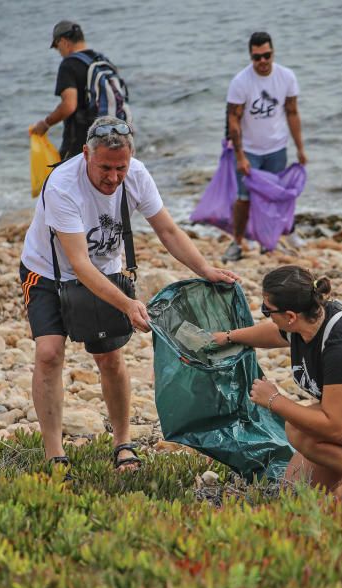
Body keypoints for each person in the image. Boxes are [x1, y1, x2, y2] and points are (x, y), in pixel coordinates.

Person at [20, 116, 240, 474]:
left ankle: (123, 443)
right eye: (105, 167)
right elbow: (79, 264)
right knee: (48, 353)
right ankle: (54, 454)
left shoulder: (136, 175)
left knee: (109, 357)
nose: (113, 177)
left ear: (131, 158)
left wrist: (205, 269)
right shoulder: (62, 185)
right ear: (85, 154)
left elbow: (167, 230)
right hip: (47, 271)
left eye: (120, 168)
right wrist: (127, 304)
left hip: (106, 269)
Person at [212, 265, 342, 501]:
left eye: (267, 310)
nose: (266, 313)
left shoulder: (341, 346)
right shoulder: (308, 321)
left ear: (291, 316)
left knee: (298, 429)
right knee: (294, 494)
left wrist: (274, 400)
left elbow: (335, 425)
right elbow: (276, 333)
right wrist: (230, 337)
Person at [222, 31, 307, 262]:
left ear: (272, 53)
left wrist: (300, 148)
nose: (262, 61)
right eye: (256, 57)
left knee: (276, 196)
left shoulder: (286, 76)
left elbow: (292, 112)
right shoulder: (241, 82)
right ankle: (238, 241)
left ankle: (273, 238)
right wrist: (240, 156)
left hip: (277, 148)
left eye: (266, 55)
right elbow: (233, 120)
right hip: (249, 149)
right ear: (251, 56)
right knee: (244, 198)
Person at [30, 21, 129, 161]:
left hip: (80, 141)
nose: (60, 53)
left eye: (57, 47)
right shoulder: (102, 60)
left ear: (63, 42)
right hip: (109, 137)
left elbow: (69, 105)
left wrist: (46, 124)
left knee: (67, 178)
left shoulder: (68, 65)